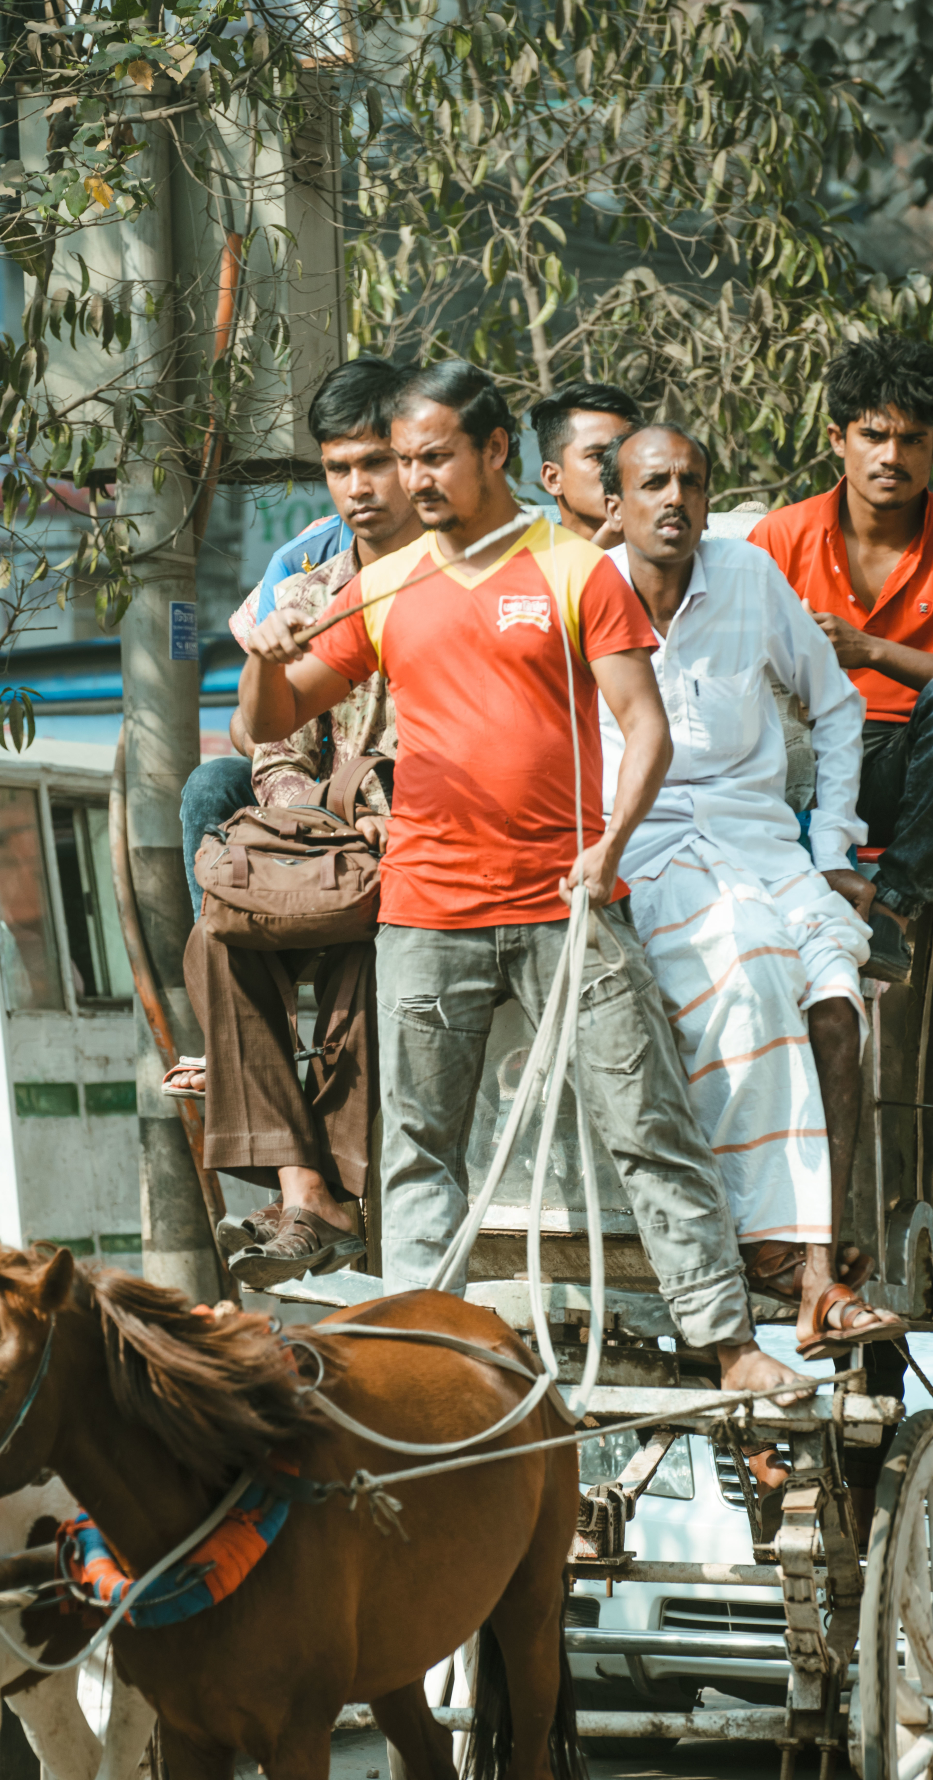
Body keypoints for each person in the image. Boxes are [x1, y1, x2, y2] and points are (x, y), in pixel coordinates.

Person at [239, 358, 804, 1403]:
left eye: (435, 457)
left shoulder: (576, 569)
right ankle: (412, 1366)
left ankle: (730, 1344)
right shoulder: (384, 584)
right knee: (417, 1151)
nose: (413, 481)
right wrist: (262, 649)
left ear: (496, 452)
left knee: (651, 1126)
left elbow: (647, 728)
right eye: (403, 461)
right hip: (427, 912)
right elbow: (262, 723)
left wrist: (610, 844)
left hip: (566, 908)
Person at [597, 421, 906, 1364]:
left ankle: (819, 1270)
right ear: (616, 503)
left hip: (764, 846)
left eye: (690, 481)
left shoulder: (746, 576)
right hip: (648, 849)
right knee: (751, 967)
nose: (674, 500)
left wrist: (832, 842)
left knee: (834, 1003)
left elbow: (840, 702)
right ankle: (779, 1256)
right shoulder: (585, 592)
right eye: (652, 483)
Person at [177, 354, 422, 1281]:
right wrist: (304, 823)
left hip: (425, 834)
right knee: (223, 919)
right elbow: (268, 736)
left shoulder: (463, 576)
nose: (360, 488)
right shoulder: (308, 578)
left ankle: (339, 1193)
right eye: (340, 467)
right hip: (325, 818)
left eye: (378, 463)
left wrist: (377, 816)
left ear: (423, 462)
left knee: (367, 928)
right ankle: (301, 1191)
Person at [750, 332, 933, 984]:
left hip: (910, 774)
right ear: (836, 439)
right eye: (873, 436)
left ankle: (895, 901)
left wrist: (868, 651)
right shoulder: (778, 535)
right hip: (799, 761)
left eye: (912, 439)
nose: (892, 456)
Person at [529, 381, 644, 541]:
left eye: (631, 455)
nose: (621, 468)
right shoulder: (527, 561)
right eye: (599, 456)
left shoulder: (676, 559)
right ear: (553, 479)